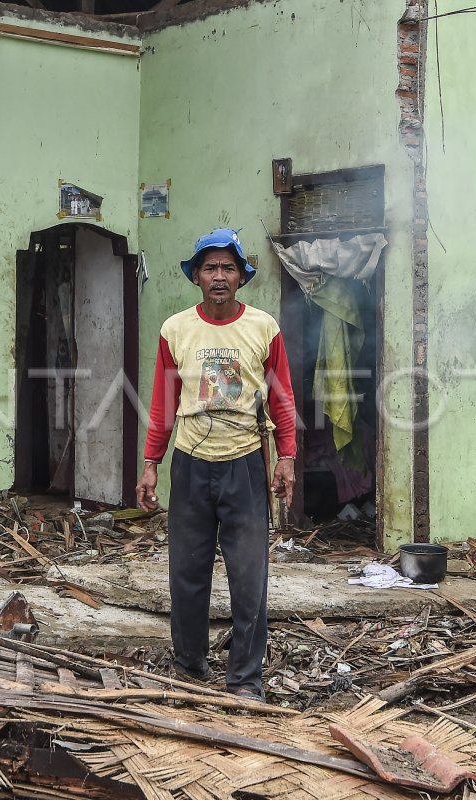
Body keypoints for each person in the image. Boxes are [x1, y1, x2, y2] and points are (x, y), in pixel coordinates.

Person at [136, 228, 296, 702]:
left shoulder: (263, 328)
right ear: (196, 277)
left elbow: (282, 399)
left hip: (244, 465)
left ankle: (245, 680)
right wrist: (151, 464)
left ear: (242, 277)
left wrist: (286, 456)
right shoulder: (175, 329)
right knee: (187, 573)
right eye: (210, 268)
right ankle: (189, 666)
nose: (219, 276)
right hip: (189, 465)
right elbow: (164, 404)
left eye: (229, 268)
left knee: (249, 578)